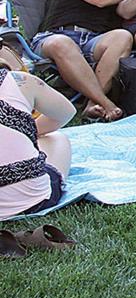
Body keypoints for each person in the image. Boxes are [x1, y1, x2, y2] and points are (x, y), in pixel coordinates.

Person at [0, 65, 76, 221]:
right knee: (56, 138)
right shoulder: (20, 81)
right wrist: (25, 130)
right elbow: (65, 113)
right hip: (30, 200)